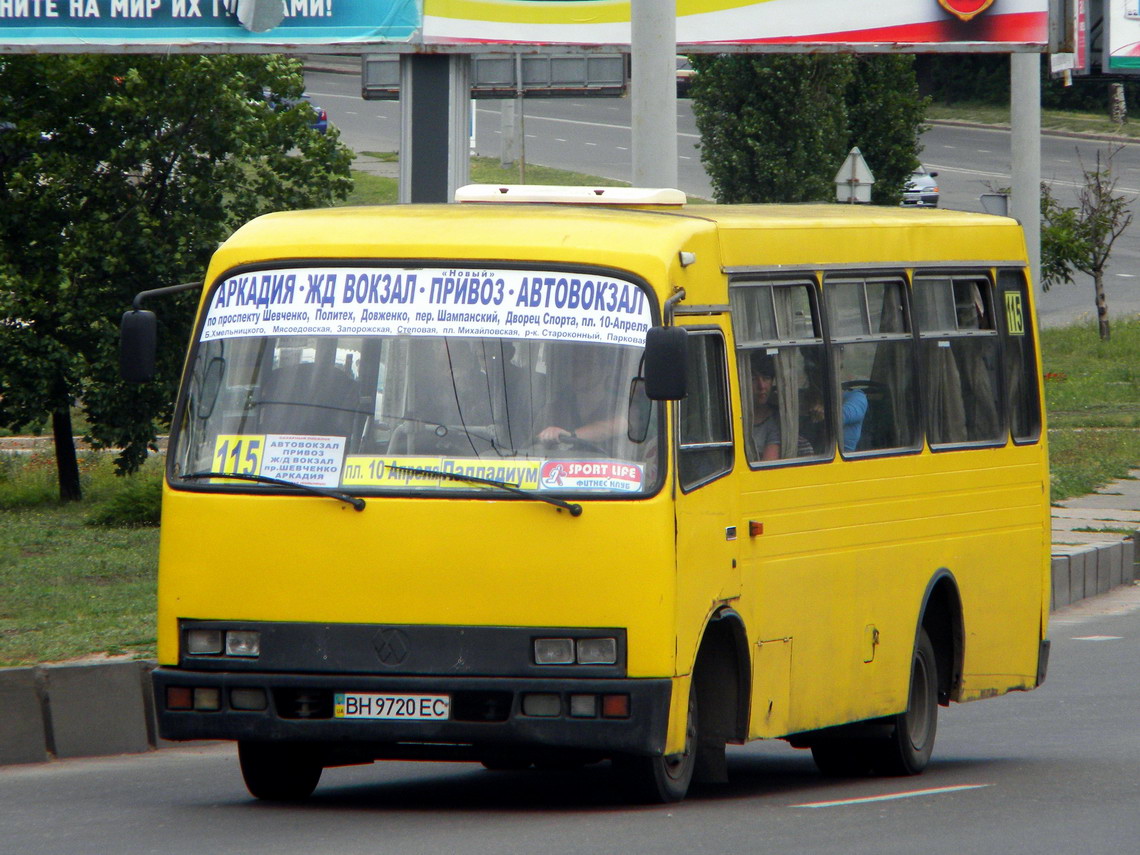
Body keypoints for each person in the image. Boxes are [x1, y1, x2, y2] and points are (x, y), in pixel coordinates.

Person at [749, 352, 781, 461]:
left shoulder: (776, 421)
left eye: (766, 378)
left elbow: (768, 467)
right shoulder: (734, 417)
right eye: (753, 379)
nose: (761, 386)